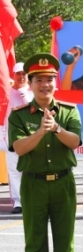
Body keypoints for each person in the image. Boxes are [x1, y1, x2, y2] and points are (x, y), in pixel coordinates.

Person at [8, 53, 82, 252]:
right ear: (30, 84)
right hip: (33, 184)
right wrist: (40, 132)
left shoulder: (69, 111)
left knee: (65, 242)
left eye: (49, 79)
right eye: (38, 80)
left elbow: (75, 142)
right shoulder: (18, 115)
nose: (45, 84)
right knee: (35, 242)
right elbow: (19, 148)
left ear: (56, 82)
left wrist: (56, 128)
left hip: (63, 183)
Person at [3, 62, 33, 214]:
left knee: (31, 169)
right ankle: (18, 202)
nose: (21, 76)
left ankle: (32, 199)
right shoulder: (7, 93)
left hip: (31, 138)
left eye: (24, 74)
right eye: (18, 74)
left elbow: (35, 111)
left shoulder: (33, 92)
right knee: (14, 171)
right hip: (11, 138)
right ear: (13, 75)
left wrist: (25, 94)